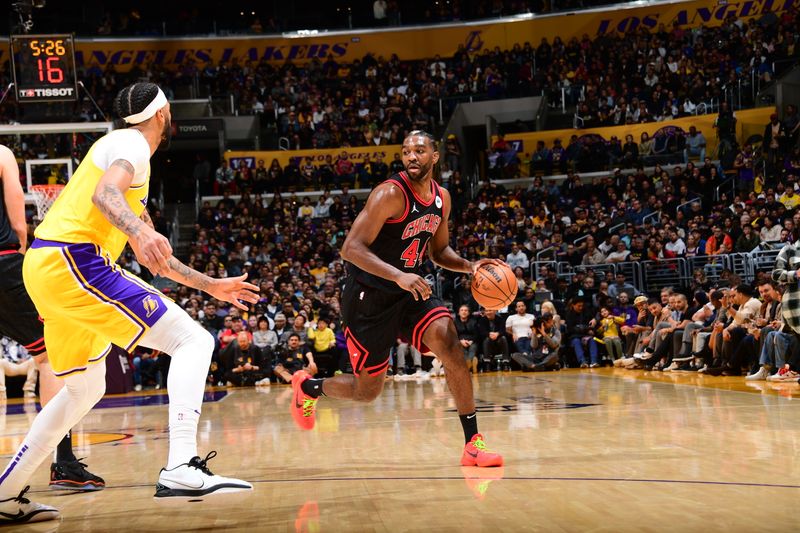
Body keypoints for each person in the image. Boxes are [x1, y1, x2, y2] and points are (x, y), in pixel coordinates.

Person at [0, 83, 258, 524]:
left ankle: (5, 495)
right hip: (73, 260)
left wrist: (209, 284)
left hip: (47, 268)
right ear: (163, 114)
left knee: (86, 387)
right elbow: (107, 197)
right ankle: (180, 465)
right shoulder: (131, 144)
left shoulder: (129, 157)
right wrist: (140, 233)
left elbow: (155, 256)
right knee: (193, 342)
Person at [288, 130, 503, 467]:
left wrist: (469, 266)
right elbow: (351, 248)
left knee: (450, 345)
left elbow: (439, 250)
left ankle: (472, 443)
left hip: (411, 292)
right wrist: (398, 274)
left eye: (419, 150)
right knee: (367, 392)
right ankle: (309, 388)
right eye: (406, 152)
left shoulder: (441, 198)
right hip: (369, 297)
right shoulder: (389, 193)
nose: (411, 157)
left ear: (435, 156)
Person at [0, 144, 106, 510]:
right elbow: (17, 221)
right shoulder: (1, 154)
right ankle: (63, 461)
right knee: (47, 356)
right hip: (3, 267)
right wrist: (24, 252)